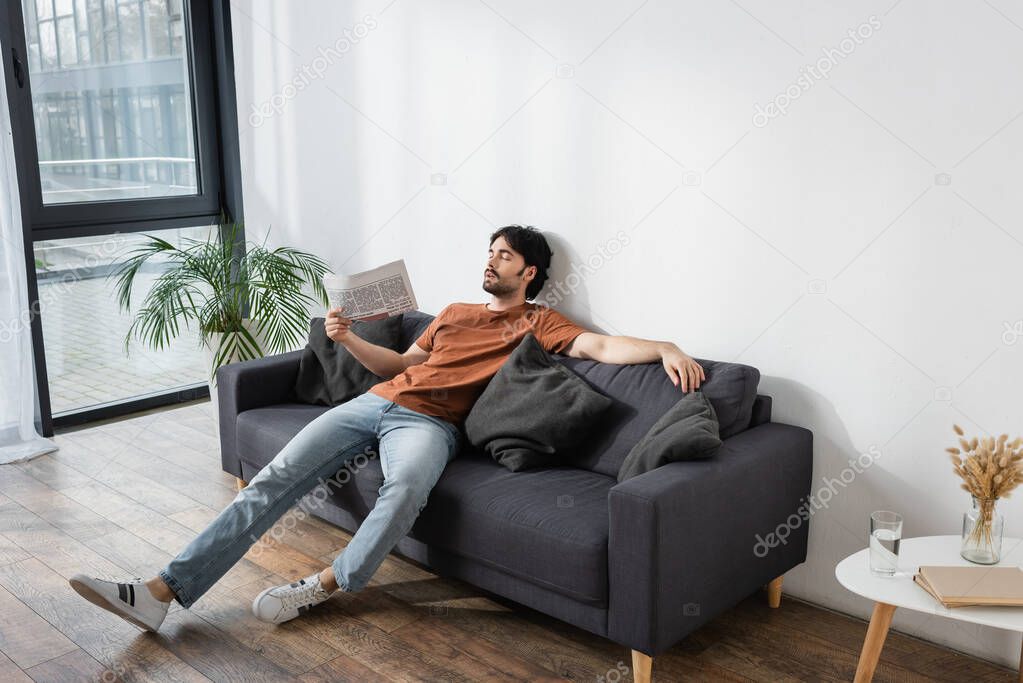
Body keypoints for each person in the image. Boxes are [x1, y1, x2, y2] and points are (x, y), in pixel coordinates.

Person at [69, 225, 705, 632]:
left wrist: (667, 346)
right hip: (378, 399)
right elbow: (401, 365)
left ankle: (323, 585)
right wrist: (346, 341)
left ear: (528, 274)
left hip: (432, 427)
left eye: (503, 257)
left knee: (402, 492)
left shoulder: (538, 323)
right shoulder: (454, 313)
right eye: (488, 253)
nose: (491, 263)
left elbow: (599, 346)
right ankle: (160, 591)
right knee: (272, 482)